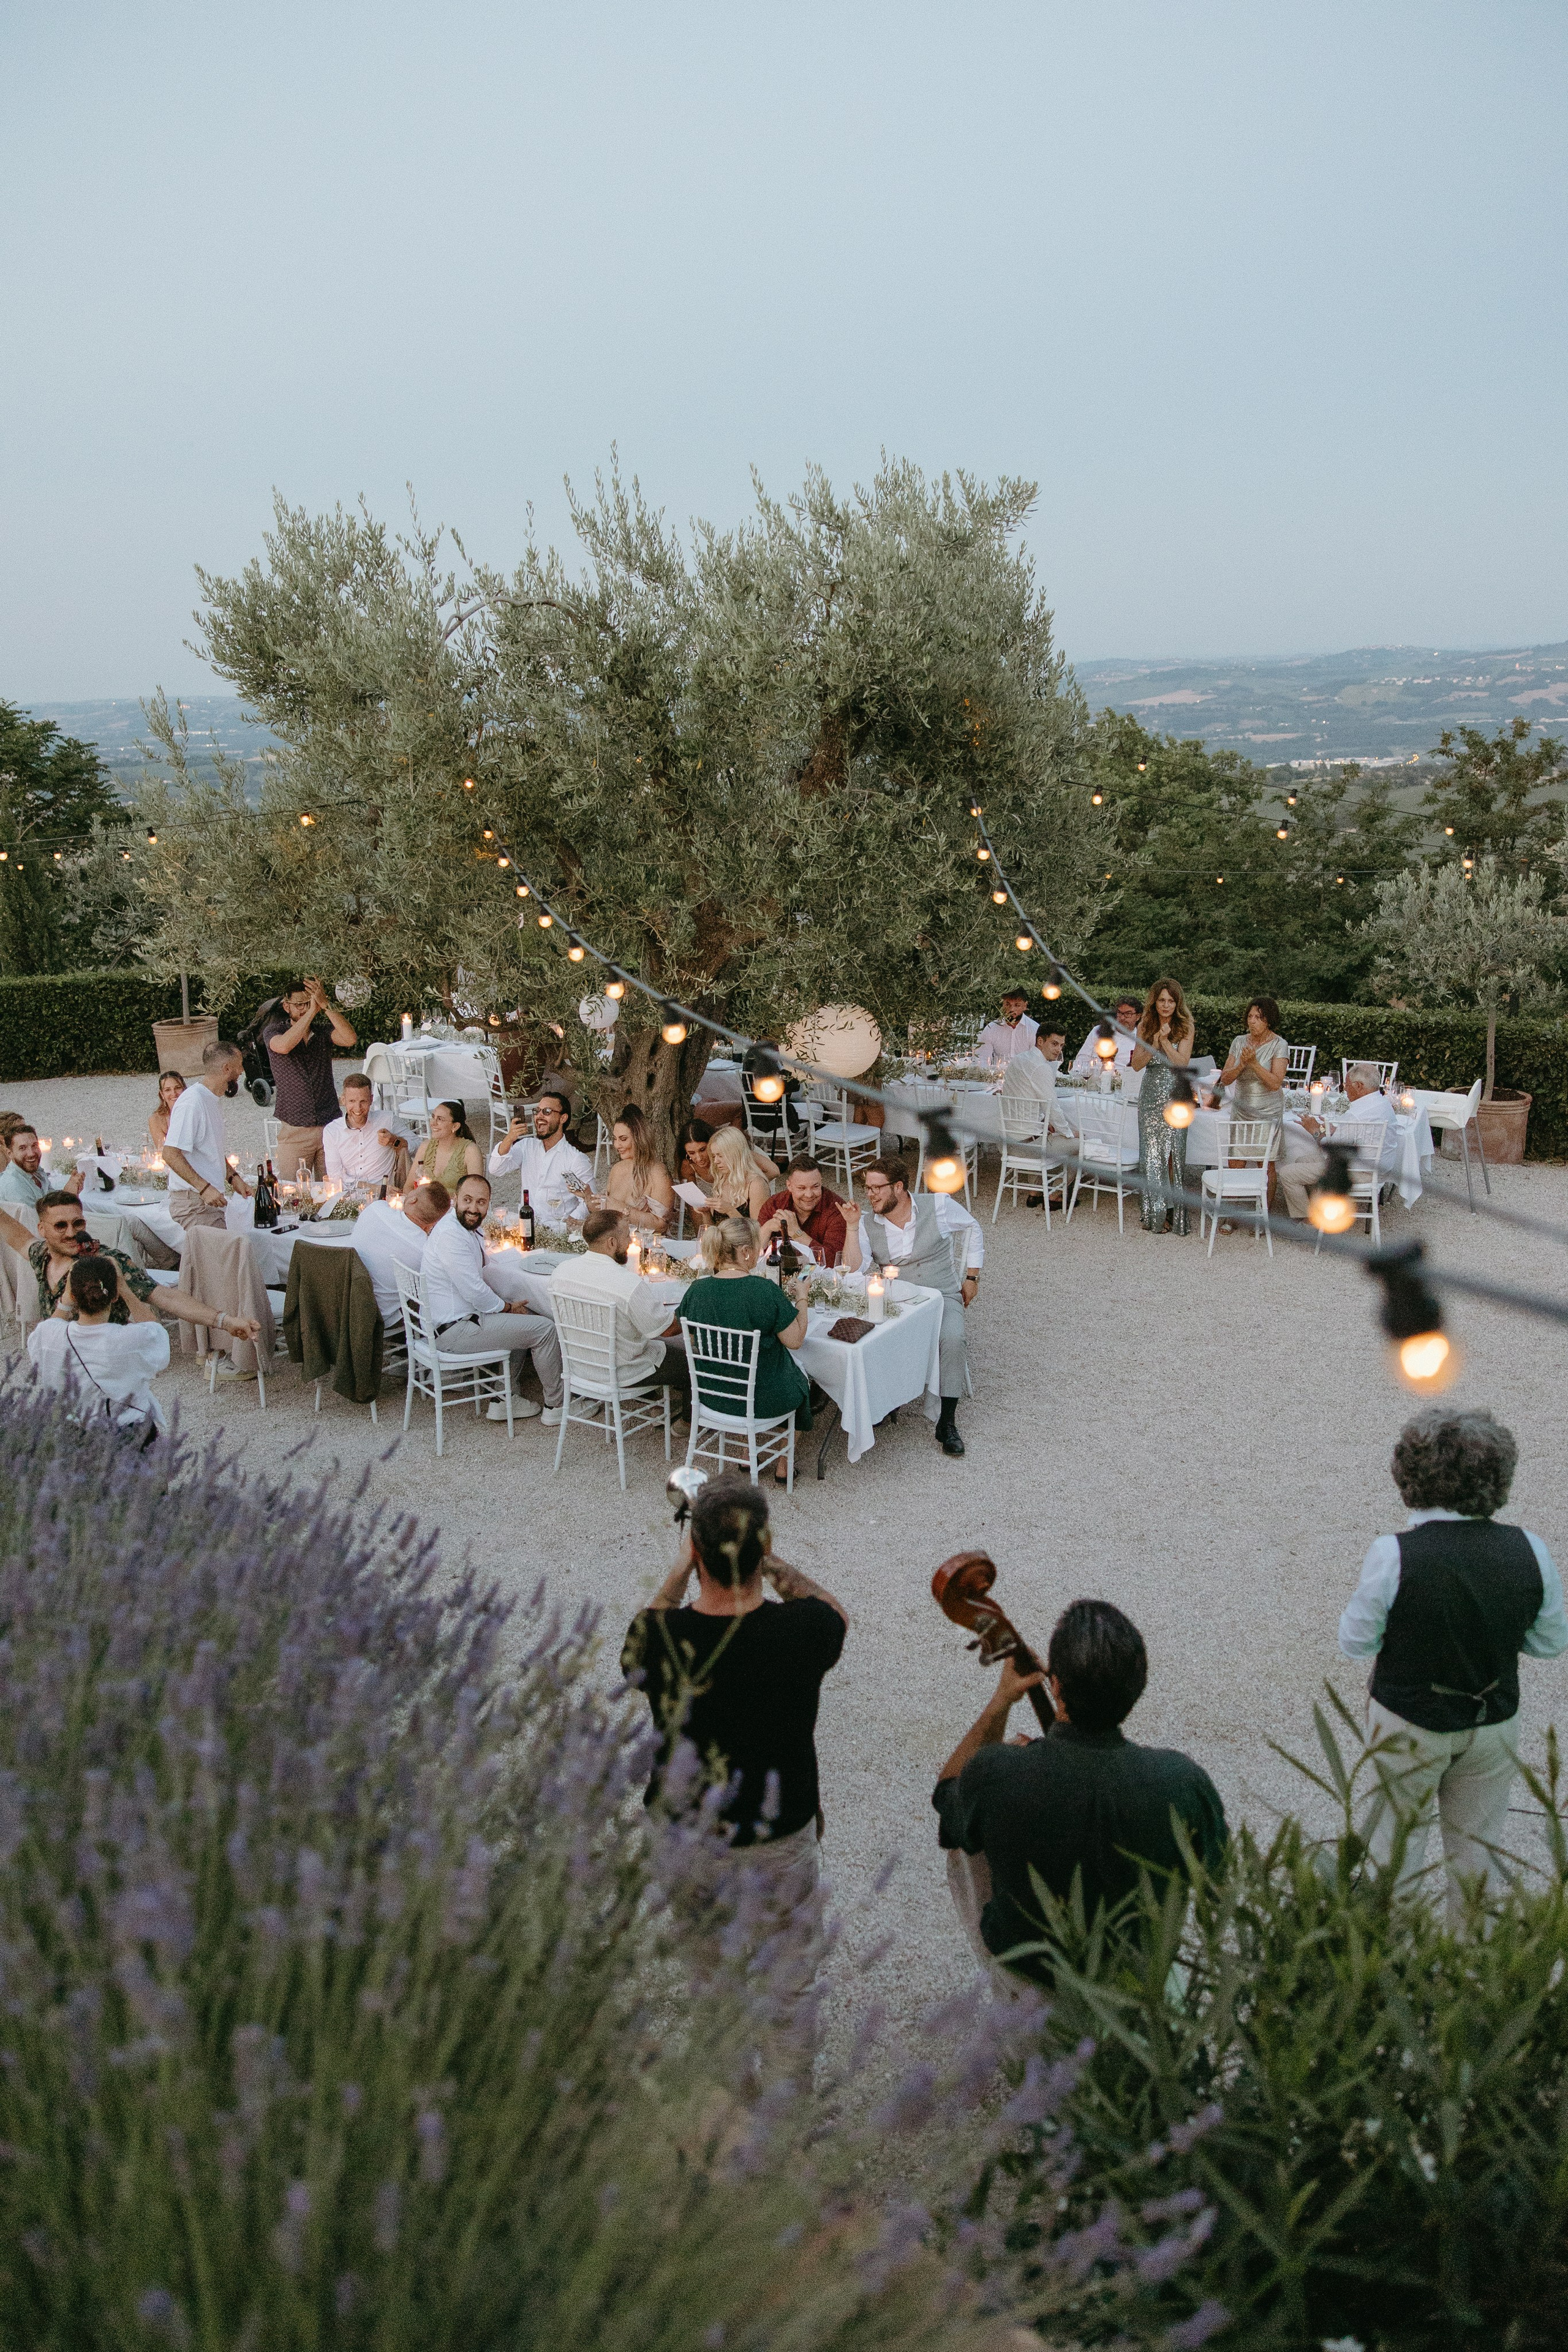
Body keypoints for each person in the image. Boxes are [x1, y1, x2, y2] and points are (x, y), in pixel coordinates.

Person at [1339, 1407, 1567, 1924]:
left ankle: (1390, 1969)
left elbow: (1356, 1642)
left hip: (1407, 1722)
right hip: (1494, 1721)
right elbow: (1550, 1643)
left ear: (1409, 1477)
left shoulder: (1392, 1554)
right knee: (1477, 1862)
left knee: (1393, 1859)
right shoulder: (1529, 1549)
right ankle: (1470, 1976)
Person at [934, 1599, 1227, 1982]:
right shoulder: (1183, 1781)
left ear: (1055, 1684)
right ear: (1137, 1687)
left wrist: (1002, 1702)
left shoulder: (997, 1772)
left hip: (1033, 1975)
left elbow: (946, 1798)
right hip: (1137, 1980)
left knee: (966, 1821)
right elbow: (1216, 1876)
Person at [621, 1472, 846, 1894]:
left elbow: (644, 1636)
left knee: (703, 1958)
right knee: (788, 1959)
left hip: (687, 1834)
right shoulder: (805, 1629)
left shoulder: (660, 1639)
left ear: (697, 1552)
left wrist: (682, 1566)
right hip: (778, 1833)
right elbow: (835, 1612)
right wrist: (769, 1561)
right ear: (764, 1546)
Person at [0, 1189, 260, 1348]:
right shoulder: (41, 1255)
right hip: (60, 1361)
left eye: (78, 1223)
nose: (72, 1233)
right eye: (60, 1226)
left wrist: (224, 1322)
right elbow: (16, 1235)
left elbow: (165, 1296)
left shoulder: (105, 1262)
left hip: (105, 1363)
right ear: (42, 1230)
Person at [858, 1156, 980, 1459]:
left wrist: (972, 1277)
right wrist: (849, 1229)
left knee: (953, 1340)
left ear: (898, 1187)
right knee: (868, 1336)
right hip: (897, 1297)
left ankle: (947, 1423)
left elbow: (973, 1228)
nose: (870, 1194)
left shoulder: (938, 1205)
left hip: (942, 1293)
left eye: (877, 1188)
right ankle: (883, 1402)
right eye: (867, 1188)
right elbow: (856, 1267)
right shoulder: (864, 1222)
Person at [419, 1173, 564, 1422]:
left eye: (481, 1202)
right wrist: (506, 1307)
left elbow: (485, 1268)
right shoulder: (450, 1236)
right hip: (453, 1330)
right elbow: (475, 1291)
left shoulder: (464, 1229)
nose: (474, 1208)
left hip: (458, 1320)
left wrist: (508, 1308)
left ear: (488, 1204)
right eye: (467, 1200)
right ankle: (558, 1406)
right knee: (545, 1329)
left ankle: (503, 1399)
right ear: (455, 1199)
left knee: (526, 1316)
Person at [679, 1216, 810, 1482]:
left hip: (712, 1396)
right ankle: (784, 1463)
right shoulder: (763, 1290)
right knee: (803, 1381)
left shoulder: (697, 1289)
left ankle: (744, 1455)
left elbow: (694, 1343)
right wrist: (802, 1297)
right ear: (746, 1252)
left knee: (736, 1369)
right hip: (760, 1399)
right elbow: (796, 1341)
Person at [548, 1208, 688, 1403]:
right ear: (612, 1243)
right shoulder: (627, 1283)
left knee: (643, 1340)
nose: (631, 1241)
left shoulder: (561, 1272)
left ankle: (657, 1403)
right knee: (694, 1363)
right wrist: (691, 1303)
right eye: (628, 1235)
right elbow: (667, 1330)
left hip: (580, 1367)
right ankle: (687, 1422)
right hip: (623, 1372)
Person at [29, 1255, 172, 1434]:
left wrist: (66, 1299)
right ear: (114, 1297)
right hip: (129, 1431)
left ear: (73, 1295)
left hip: (73, 1432)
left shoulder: (49, 1335)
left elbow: (47, 1331)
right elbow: (155, 1332)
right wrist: (126, 1291)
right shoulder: (131, 1339)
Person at [260, 978, 359, 1178]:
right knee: (293, 1193)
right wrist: (314, 1009)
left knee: (335, 1190)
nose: (305, 1008)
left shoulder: (321, 1031)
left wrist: (326, 1005)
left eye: (309, 1002)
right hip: (295, 1129)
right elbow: (284, 1046)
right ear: (286, 1007)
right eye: (299, 1005)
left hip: (329, 1125)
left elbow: (350, 1039)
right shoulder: (274, 1031)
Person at [1278, 1061, 1397, 1221]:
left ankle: (1305, 1222)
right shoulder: (1384, 1104)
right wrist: (1334, 1130)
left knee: (1287, 1173)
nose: (1345, 1089)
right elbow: (1361, 1135)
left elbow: (1332, 1151)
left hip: (1357, 1172)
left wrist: (1315, 1131)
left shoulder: (1356, 1114)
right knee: (1302, 1160)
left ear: (1359, 1086)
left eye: (1346, 1085)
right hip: (1379, 1168)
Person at [161, 1040, 254, 1233]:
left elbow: (211, 1151)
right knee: (233, 1253)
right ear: (227, 1068)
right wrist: (204, 1189)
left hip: (208, 1202)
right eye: (239, 1066)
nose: (242, 1071)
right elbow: (170, 1154)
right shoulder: (192, 1102)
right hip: (195, 1205)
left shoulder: (211, 1099)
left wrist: (234, 1178)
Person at [1129, 978, 1195, 1237]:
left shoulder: (1186, 1026)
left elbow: (1182, 1062)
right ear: (1154, 1002)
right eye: (1161, 1000)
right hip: (1151, 1092)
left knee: (1173, 1154)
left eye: (1171, 1001)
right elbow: (1137, 1064)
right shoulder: (1145, 1024)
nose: (1166, 1005)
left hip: (1176, 1092)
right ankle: (1154, 1212)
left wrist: (1167, 1043)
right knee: (1151, 1154)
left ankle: (1172, 1212)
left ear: (1177, 1003)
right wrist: (1154, 1043)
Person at [488, 1088, 595, 1226]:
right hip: (527, 1225)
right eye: (537, 1111)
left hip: (558, 1229)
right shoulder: (527, 1146)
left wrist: (566, 1225)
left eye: (547, 1112)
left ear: (563, 1118)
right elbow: (495, 1169)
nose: (539, 1116)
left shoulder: (576, 1159)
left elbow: (588, 1201)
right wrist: (509, 1139)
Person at [351, 1180, 450, 1324]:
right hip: (379, 1316)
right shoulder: (425, 1251)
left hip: (346, 1304)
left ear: (412, 1200)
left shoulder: (375, 1209)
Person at [758, 1155, 864, 1270]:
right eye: (802, 1188)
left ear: (821, 1182)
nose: (809, 1195)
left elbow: (834, 1262)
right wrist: (768, 1227)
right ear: (789, 1186)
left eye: (815, 1187)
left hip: (820, 1277)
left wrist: (797, 1234)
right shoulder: (775, 1204)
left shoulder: (836, 1209)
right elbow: (753, 1255)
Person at [322, 1073, 410, 1191]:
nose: (358, 1108)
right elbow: (335, 1177)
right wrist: (374, 1188)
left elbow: (418, 1145)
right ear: (343, 1100)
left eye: (363, 1101)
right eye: (352, 1101)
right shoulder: (332, 1131)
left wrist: (394, 1141)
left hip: (385, 1197)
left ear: (371, 1099)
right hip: (350, 1194)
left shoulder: (387, 1120)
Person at [600, 1105, 675, 1231]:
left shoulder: (658, 1173)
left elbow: (661, 1226)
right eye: (615, 1139)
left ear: (639, 1138)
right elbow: (606, 1211)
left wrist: (623, 1209)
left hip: (644, 1243)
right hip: (613, 1236)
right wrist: (587, 1195)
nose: (617, 1145)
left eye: (623, 1139)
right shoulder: (617, 1169)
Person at [409, 1100, 485, 1194]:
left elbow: (476, 1192)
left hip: (455, 1208)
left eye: (440, 1119)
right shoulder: (426, 1146)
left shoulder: (470, 1151)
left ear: (455, 1126)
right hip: (424, 1207)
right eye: (433, 1117)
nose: (433, 1123)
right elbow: (408, 1186)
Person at [0, 1125, 84, 1207]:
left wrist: (72, 1188)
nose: (31, 1153)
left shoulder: (36, 1171)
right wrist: (68, 1196)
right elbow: (38, 1220)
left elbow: (51, 1199)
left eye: (35, 1146)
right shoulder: (13, 1185)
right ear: (10, 1153)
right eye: (23, 1148)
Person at [1070, 998, 1142, 1076]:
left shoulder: (1141, 1040)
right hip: (1094, 1081)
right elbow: (1081, 1061)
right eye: (1119, 1013)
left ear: (1138, 1016)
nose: (1122, 1018)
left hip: (1123, 1083)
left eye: (1128, 1014)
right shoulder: (1098, 1032)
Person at [975, 989, 1038, 1068]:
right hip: (997, 1076)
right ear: (1003, 1005)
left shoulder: (1034, 1029)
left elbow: (1036, 1061)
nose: (1012, 1009)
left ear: (1025, 1006)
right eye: (1008, 1004)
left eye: (1017, 1005)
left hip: (1024, 1076)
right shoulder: (991, 1028)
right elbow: (982, 1059)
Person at [148, 1070, 186, 1153]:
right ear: (162, 1094)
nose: (174, 1093)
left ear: (184, 1090)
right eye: (168, 1090)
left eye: (178, 1088)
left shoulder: (195, 1112)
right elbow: (164, 1151)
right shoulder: (156, 1120)